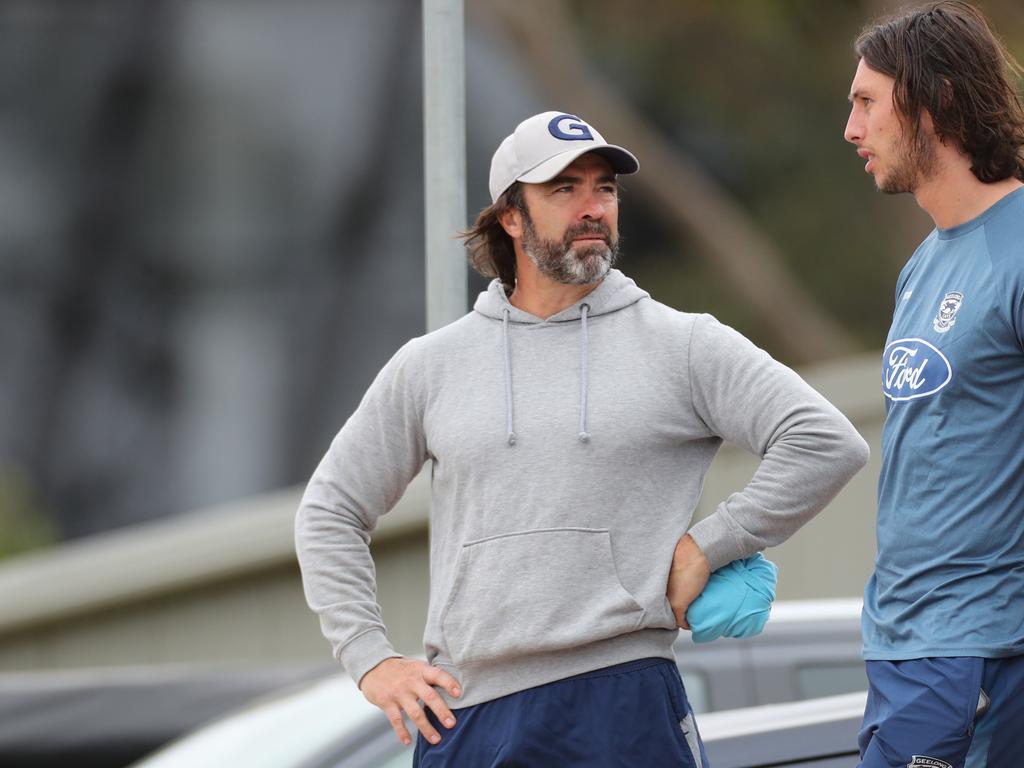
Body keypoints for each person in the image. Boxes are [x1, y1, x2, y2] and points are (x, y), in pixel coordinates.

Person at [296, 110, 868, 767]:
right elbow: (330, 511)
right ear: (511, 216)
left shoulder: (681, 344)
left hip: (623, 705)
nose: (593, 207)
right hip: (468, 715)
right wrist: (372, 661)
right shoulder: (431, 366)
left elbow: (825, 441)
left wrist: (708, 544)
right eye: (565, 190)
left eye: (605, 188)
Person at [843, 3, 1024, 766]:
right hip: (903, 647)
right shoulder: (923, 264)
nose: (852, 130)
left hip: (980, 650)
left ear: (937, 100)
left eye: (866, 103)